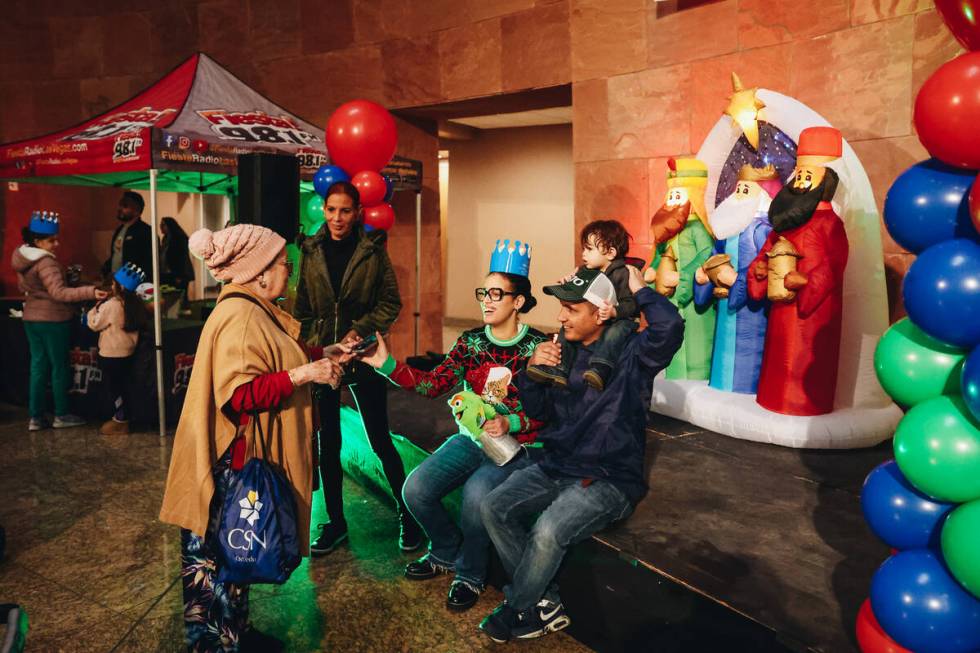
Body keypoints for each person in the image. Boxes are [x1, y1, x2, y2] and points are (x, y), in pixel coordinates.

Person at [160, 224, 350, 653]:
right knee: (215, 563)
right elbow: (240, 396)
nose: (290, 273)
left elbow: (277, 355)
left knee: (236, 552)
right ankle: (214, 645)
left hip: (240, 459)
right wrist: (307, 373)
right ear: (260, 272)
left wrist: (327, 353)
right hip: (228, 463)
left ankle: (235, 635)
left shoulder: (253, 307)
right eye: (286, 265)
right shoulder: (240, 317)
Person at [478, 265, 684, 643]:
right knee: (494, 507)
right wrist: (532, 371)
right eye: (562, 307)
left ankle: (518, 607)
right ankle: (545, 603)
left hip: (608, 476)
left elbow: (669, 327)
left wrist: (639, 291)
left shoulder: (632, 353)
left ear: (600, 311)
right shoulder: (562, 350)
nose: (560, 316)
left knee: (549, 529)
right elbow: (539, 412)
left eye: (571, 309)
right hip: (557, 464)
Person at [359, 239, 547, 612]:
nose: (487, 300)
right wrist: (385, 362)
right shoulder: (471, 342)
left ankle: (470, 575)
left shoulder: (538, 348)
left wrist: (508, 420)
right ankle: (444, 550)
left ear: (518, 301)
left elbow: (548, 413)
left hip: (516, 448)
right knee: (416, 489)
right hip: (471, 441)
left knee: (478, 496)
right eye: (484, 292)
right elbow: (431, 384)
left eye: (497, 293)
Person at [294, 181, 420, 555]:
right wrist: (319, 346)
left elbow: (390, 302)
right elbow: (301, 309)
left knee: (380, 440)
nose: (336, 218)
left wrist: (358, 331)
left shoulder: (371, 251)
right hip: (325, 358)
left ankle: (408, 515)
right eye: (331, 210)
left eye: (345, 210)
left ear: (358, 212)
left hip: (362, 356)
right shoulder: (311, 250)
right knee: (327, 444)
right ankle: (335, 523)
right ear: (324, 209)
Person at [11, 211, 107, 431]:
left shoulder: (22, 259)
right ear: (37, 241)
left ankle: (35, 417)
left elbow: (25, 288)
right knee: (59, 367)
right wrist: (91, 291)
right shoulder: (46, 262)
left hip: (31, 318)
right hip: (53, 319)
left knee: (37, 367)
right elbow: (59, 293)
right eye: (51, 240)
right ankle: (61, 414)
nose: (57, 243)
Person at [527, 220, 637, 391]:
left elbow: (632, 305)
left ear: (610, 252)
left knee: (615, 333)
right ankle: (559, 370)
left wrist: (615, 311)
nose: (584, 254)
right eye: (583, 249)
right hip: (596, 319)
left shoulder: (623, 273)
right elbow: (577, 287)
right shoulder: (587, 270)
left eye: (589, 249)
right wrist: (567, 283)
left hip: (620, 320)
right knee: (567, 328)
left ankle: (600, 368)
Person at [86, 262, 148, 435]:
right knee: (124, 385)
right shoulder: (135, 304)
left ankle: (120, 419)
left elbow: (94, 324)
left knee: (114, 388)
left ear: (118, 285)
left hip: (110, 354)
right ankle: (124, 417)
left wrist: (93, 310)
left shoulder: (112, 305)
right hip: (127, 353)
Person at [101, 191, 153, 281]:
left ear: (136, 211)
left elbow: (147, 263)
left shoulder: (146, 232)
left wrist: (127, 281)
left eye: (125, 206)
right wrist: (105, 270)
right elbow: (117, 254)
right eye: (120, 205)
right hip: (116, 282)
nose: (119, 208)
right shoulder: (120, 230)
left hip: (133, 285)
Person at [159, 217, 195, 303]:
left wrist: (180, 275)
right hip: (167, 274)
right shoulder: (165, 239)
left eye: (163, 225)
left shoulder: (179, 238)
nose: (161, 227)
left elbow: (182, 258)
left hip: (179, 274)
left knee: (179, 299)